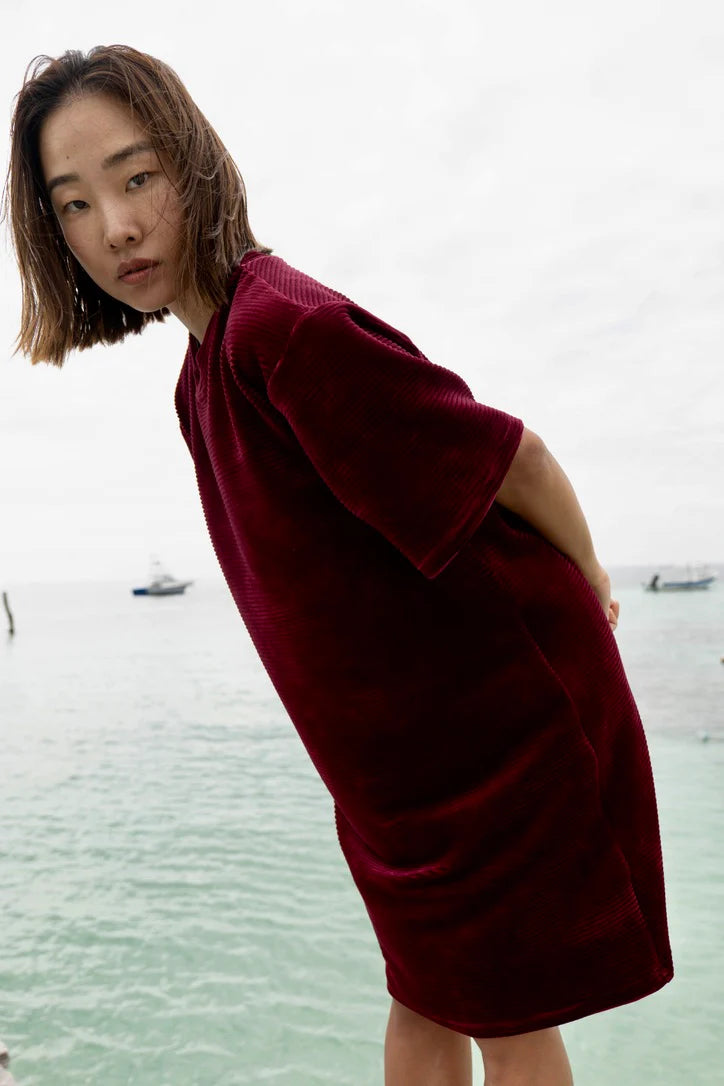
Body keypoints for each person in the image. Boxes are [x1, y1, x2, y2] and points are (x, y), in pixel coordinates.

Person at [3, 45, 673, 1086]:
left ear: (193, 166)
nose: (117, 225)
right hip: (400, 778)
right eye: (76, 202)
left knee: (508, 1023)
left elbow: (515, 458)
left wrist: (589, 578)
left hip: (499, 740)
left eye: (137, 178)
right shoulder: (206, 369)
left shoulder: (284, 329)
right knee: (421, 1006)